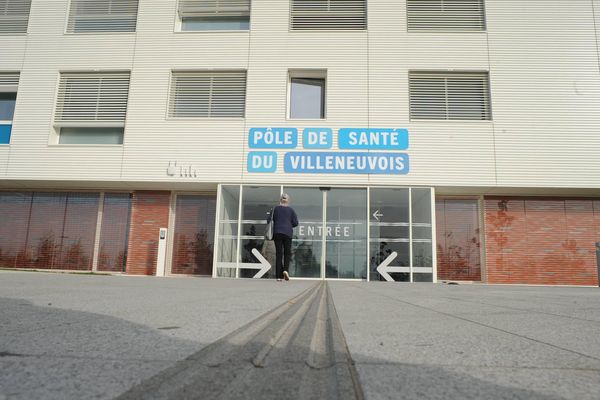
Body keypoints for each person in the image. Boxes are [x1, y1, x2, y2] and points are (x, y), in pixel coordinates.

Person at [267, 193, 298, 281]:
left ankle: (278, 276)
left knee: (279, 254)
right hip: (287, 233)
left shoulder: (275, 209)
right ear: (288, 200)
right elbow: (296, 223)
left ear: (280, 200)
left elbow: (269, 220)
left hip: (277, 233)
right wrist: (288, 224)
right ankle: (285, 270)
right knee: (287, 253)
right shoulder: (291, 210)